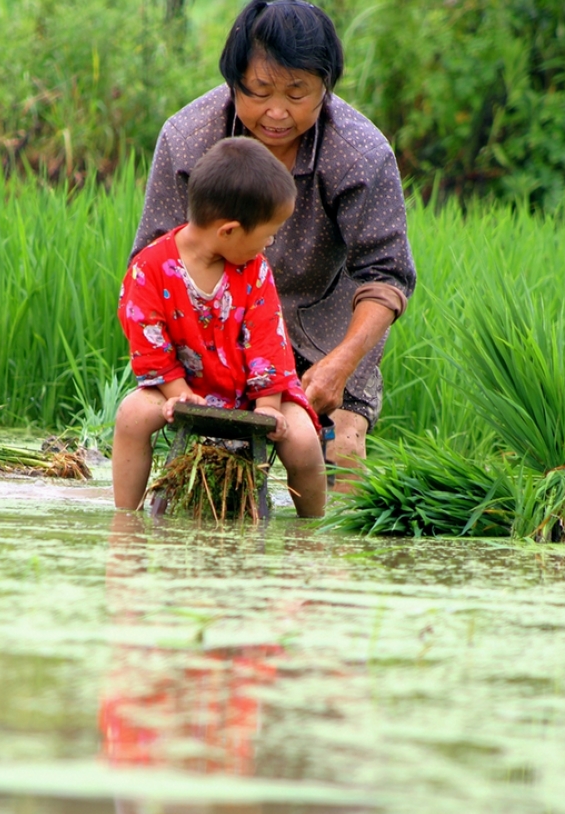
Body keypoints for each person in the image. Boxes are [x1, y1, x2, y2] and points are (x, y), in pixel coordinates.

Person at [130, 0, 416, 478]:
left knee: (340, 444)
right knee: (212, 452)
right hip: (212, 325)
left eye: (297, 92)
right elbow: (152, 263)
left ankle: (321, 548)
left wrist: (341, 364)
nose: (277, 112)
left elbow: (385, 276)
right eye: (259, 91)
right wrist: (184, 375)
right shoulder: (188, 138)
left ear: (325, 87)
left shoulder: (360, 153)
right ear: (234, 81)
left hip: (325, 325)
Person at [112, 137, 326, 518]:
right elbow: (147, 340)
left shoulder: (254, 270)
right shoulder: (149, 268)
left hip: (255, 394)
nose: (269, 244)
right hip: (181, 389)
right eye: (266, 235)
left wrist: (268, 408)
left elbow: (267, 342)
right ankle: (125, 518)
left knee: (304, 440)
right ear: (228, 231)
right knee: (131, 414)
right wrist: (179, 393)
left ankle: (313, 529)